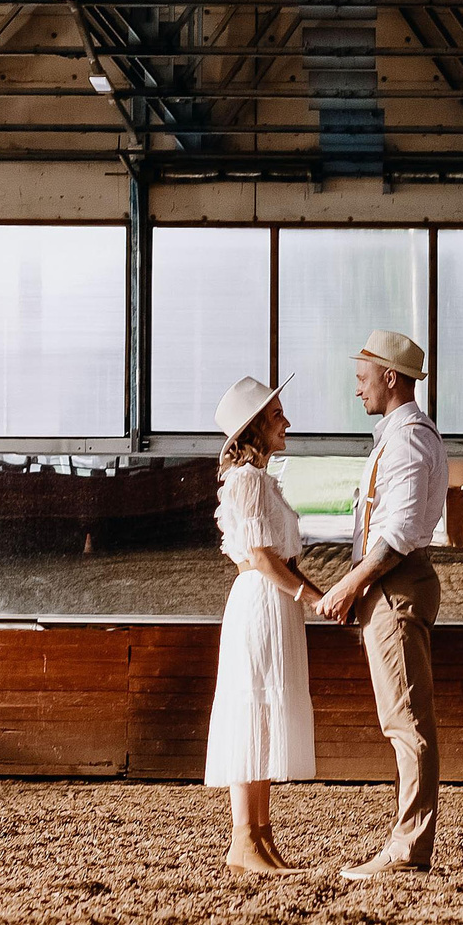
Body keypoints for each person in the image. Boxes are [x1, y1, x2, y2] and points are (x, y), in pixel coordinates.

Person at [314, 329, 448, 881]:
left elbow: (397, 533)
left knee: (406, 719)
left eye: (363, 378)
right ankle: (406, 840)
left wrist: (350, 585)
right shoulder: (398, 436)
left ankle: (409, 845)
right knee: (401, 717)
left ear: (391, 378)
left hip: (396, 585)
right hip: (390, 585)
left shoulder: (410, 439)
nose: (357, 390)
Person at [203, 374, 325, 874]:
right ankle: (243, 838)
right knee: (251, 708)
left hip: (276, 604)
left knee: (267, 714)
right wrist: (312, 598)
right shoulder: (247, 482)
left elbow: (282, 558)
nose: (287, 423)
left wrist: (310, 593)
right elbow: (258, 556)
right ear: (254, 427)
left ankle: (261, 836)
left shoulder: (262, 480)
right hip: (260, 603)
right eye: (277, 416)